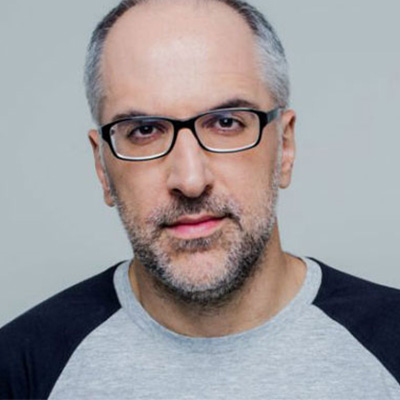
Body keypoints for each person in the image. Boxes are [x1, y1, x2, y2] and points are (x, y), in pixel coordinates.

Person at [1, 0, 399, 398]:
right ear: (102, 167)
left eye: (226, 123)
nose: (190, 180)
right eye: (144, 131)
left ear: (285, 146)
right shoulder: (20, 368)